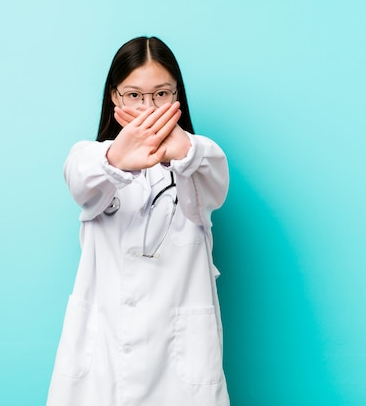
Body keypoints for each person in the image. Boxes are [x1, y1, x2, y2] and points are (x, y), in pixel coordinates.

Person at [46, 36, 230, 406]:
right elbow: (81, 180)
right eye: (134, 95)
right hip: (105, 355)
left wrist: (184, 150)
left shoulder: (197, 159)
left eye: (161, 94)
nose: (148, 107)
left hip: (178, 358)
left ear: (177, 95)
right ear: (114, 96)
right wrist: (116, 158)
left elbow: (215, 183)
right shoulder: (91, 158)